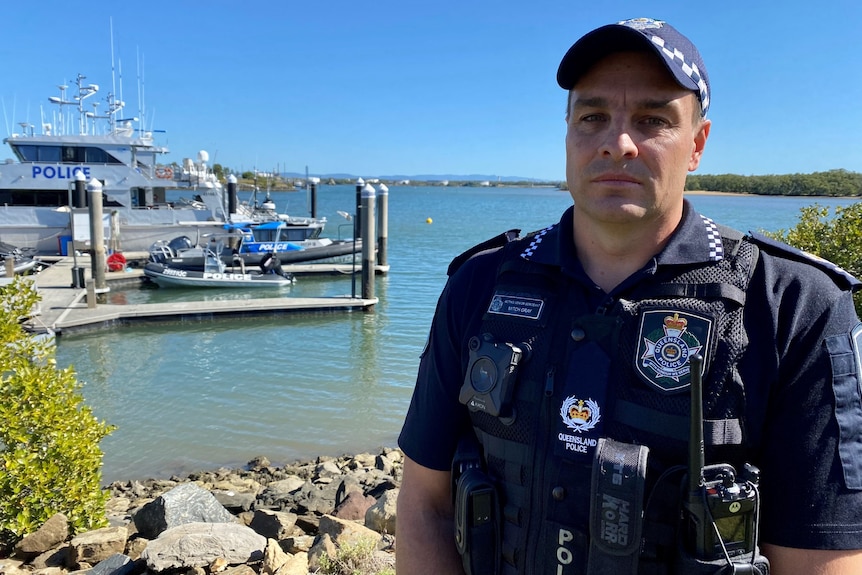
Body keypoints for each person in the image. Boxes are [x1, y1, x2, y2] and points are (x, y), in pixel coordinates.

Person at [396, 17, 862, 575]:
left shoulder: (793, 306)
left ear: (697, 144)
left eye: (652, 120)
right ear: (567, 133)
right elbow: (423, 502)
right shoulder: (480, 284)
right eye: (592, 117)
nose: (618, 144)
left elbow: (823, 558)